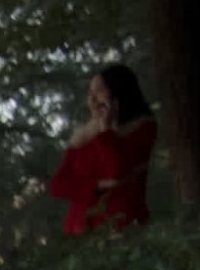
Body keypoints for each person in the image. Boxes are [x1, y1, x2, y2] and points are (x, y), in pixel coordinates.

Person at [50, 63, 156, 235]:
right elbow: (57, 185)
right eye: (90, 93)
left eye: (99, 91)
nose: (92, 99)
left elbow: (117, 171)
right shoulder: (84, 136)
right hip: (80, 231)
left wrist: (105, 130)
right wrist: (97, 185)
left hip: (121, 227)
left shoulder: (142, 127)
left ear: (118, 92)